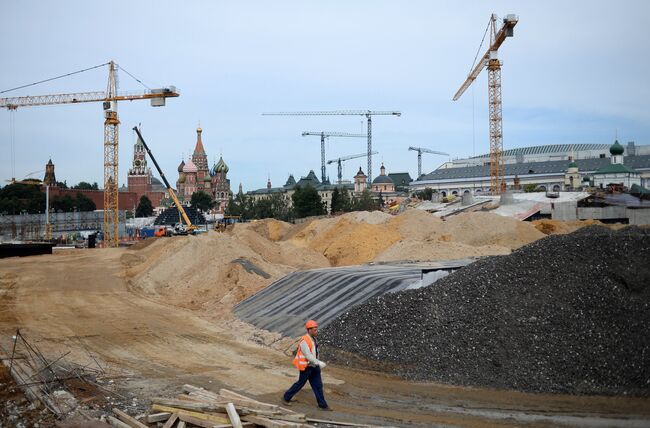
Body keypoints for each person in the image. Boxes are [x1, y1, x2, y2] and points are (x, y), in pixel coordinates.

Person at [282, 319, 331, 411]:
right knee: (300, 383)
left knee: (318, 385)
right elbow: (307, 354)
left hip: (314, 366)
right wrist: (318, 362)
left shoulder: (314, 339)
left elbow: (314, 352)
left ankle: (323, 405)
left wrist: (317, 363)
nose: (316, 331)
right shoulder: (304, 340)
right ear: (309, 330)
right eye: (315, 329)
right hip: (307, 367)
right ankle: (286, 397)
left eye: (317, 329)